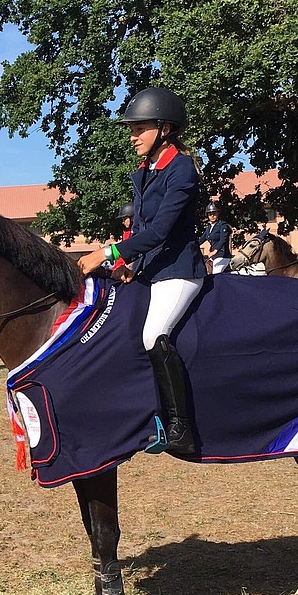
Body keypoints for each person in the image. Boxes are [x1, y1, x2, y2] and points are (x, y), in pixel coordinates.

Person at [78, 86, 206, 454]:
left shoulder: (181, 168)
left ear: (165, 129)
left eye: (140, 128)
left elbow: (161, 230)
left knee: (154, 336)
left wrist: (106, 252)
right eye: (132, 129)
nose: (133, 136)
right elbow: (138, 229)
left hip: (180, 270)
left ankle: (181, 428)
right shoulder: (147, 169)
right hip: (152, 267)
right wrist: (121, 263)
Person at [198, 203, 233, 273]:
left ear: (218, 213)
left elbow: (223, 240)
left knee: (216, 273)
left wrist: (215, 251)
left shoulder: (223, 225)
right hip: (212, 256)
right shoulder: (209, 227)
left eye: (214, 213)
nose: (212, 216)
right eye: (210, 214)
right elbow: (201, 240)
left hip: (222, 255)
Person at [111, 202, 134, 273]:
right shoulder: (126, 233)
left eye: (124, 219)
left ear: (132, 218)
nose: (123, 222)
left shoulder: (139, 233)